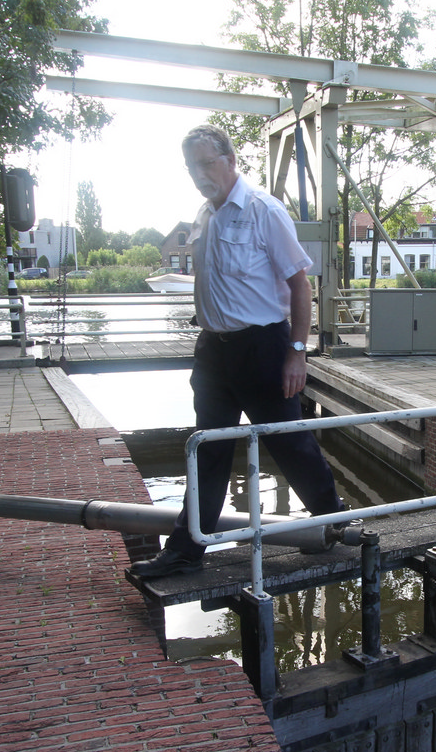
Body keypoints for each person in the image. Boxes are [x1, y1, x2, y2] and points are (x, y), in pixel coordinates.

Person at [130, 124, 343, 578]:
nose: (199, 174)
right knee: (206, 448)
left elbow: (300, 285)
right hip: (213, 350)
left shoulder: (264, 210)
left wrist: (297, 351)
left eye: (206, 163)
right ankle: (187, 550)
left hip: (263, 346)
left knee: (289, 442)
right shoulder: (204, 216)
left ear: (230, 160)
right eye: (191, 167)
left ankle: (335, 521)